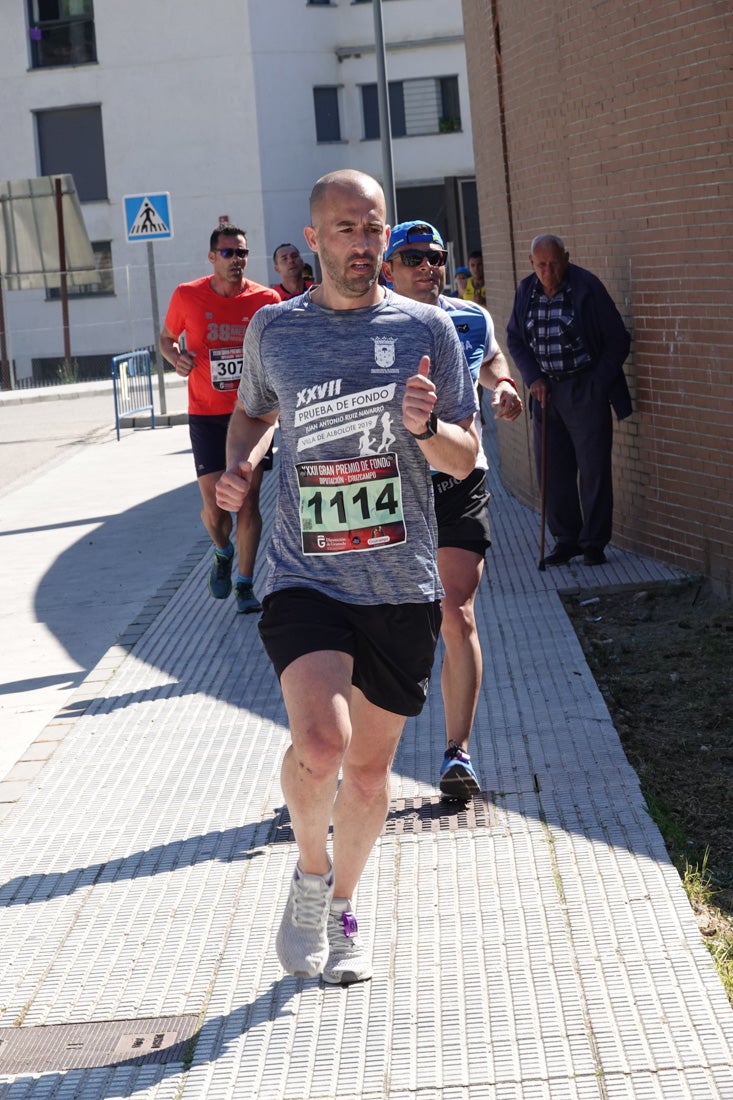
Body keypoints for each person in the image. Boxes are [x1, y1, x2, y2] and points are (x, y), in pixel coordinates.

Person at [216, 170, 478, 984]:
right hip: (305, 576)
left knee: (369, 773)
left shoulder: (427, 328)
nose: (361, 245)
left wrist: (427, 427)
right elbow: (252, 413)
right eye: (344, 229)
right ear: (316, 236)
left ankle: (342, 907)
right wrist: (238, 471)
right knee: (322, 744)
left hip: (398, 581)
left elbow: (465, 459)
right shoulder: (274, 331)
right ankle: (306, 873)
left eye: (372, 229)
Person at [382, 221, 523, 802]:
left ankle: (456, 754)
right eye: (412, 256)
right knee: (389, 622)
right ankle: (364, 756)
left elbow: (490, 361)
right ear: (389, 267)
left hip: (461, 479)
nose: (427, 266)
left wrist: (504, 385)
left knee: (456, 612)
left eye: (435, 257)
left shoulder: (470, 316)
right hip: (393, 485)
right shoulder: (371, 322)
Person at [159, 224, 280, 612]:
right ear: (212, 258)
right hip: (207, 415)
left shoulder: (266, 299)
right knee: (214, 508)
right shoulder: (186, 295)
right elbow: (165, 338)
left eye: (241, 252)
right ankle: (223, 551)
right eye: (227, 253)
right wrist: (175, 358)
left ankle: (245, 585)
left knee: (248, 501)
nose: (236, 259)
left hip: (252, 415)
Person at [506, 233, 632, 566]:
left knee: (593, 469)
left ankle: (593, 542)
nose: (548, 271)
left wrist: (597, 384)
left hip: (583, 388)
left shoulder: (587, 288)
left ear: (567, 258)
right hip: (546, 392)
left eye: (554, 263)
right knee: (552, 469)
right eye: (541, 265)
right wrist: (532, 377)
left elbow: (618, 338)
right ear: (531, 263)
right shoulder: (526, 291)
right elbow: (515, 339)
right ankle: (566, 539)